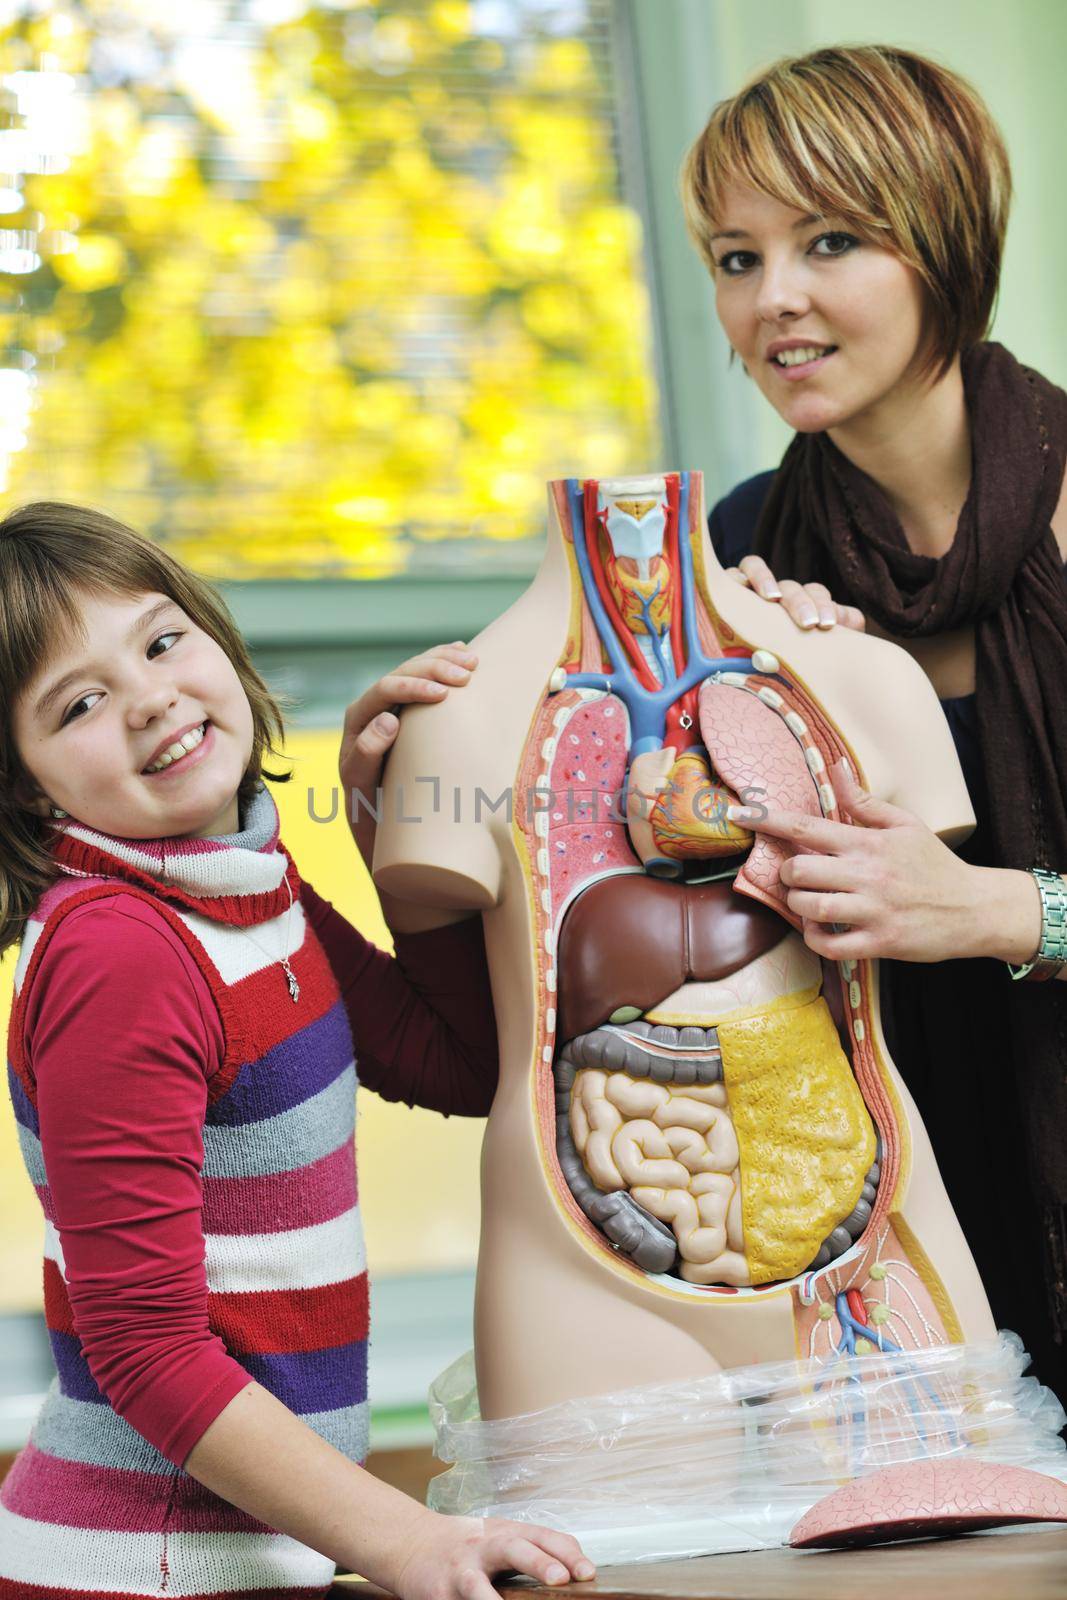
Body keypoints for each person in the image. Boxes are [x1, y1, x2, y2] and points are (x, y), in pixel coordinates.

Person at [0, 502, 594, 1597]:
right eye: (79, 702)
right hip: (139, 1568)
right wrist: (402, 1539)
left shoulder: (234, 884)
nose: (150, 697)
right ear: (27, 784)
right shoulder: (119, 951)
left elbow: (456, 1064)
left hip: (240, 1557)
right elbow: (144, 1349)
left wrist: (385, 837)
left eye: (162, 639)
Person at [681, 44, 1067, 1413]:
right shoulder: (739, 556)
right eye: (734, 258)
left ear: (940, 243)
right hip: (898, 1253)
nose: (770, 299)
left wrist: (1000, 911)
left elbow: (966, 908)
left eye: (828, 241)